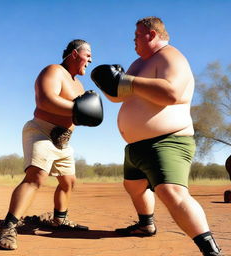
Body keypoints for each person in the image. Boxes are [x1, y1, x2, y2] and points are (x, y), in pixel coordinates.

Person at [91, 17, 222, 256]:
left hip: (167, 141)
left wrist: (126, 81)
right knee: (134, 186)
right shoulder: (138, 63)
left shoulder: (171, 56)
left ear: (151, 35)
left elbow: (172, 93)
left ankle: (211, 251)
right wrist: (107, 84)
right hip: (137, 146)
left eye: (137, 36)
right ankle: (146, 224)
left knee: (171, 192)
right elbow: (119, 95)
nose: (134, 41)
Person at [0, 39, 103, 250]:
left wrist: (85, 113)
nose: (91, 58)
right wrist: (80, 108)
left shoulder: (78, 84)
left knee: (68, 182)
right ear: (74, 54)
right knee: (36, 177)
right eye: (88, 54)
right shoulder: (54, 71)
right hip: (41, 131)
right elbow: (45, 100)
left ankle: (59, 220)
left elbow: (78, 115)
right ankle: (9, 226)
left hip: (63, 141)